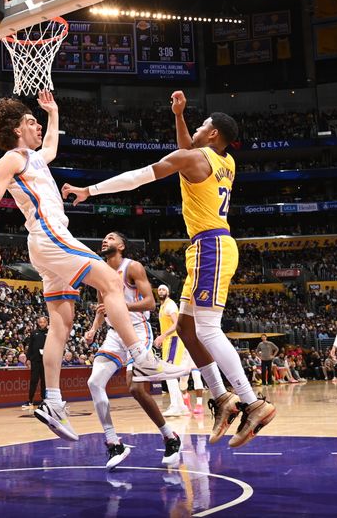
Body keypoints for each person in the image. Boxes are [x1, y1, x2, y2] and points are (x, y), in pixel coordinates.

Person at [61, 90, 275, 448]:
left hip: (211, 246)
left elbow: (138, 178)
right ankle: (223, 399)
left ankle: (252, 402)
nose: (196, 128)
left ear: (211, 134)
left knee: (206, 329)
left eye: (201, 125)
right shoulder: (224, 161)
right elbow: (189, 151)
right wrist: (179, 117)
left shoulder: (193, 158)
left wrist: (90, 190)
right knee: (188, 329)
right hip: (210, 246)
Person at [0, 91, 187, 442]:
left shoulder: (34, 159)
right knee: (110, 281)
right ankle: (141, 355)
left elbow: (51, 148)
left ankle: (53, 401)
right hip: (49, 236)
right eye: (32, 122)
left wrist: (54, 111)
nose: (38, 126)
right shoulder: (12, 159)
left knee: (61, 322)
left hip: (45, 246)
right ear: (18, 129)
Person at [83, 232, 182, 469]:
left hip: (137, 330)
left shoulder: (133, 267)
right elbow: (101, 307)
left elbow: (149, 302)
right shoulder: (100, 271)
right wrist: (93, 329)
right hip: (114, 334)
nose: (105, 240)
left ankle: (170, 436)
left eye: (110, 238)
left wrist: (119, 306)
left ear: (122, 246)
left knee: (136, 388)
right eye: (103, 238)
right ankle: (113, 443)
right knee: (94, 383)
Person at [155, 284, 205, 417]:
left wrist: (163, 335)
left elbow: (177, 324)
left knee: (169, 373)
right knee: (173, 374)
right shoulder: (163, 306)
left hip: (173, 340)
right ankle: (182, 406)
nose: (161, 291)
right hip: (169, 342)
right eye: (159, 289)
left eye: (163, 289)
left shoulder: (170, 305)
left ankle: (176, 406)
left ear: (168, 292)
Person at [24, 316, 48, 408]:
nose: (42, 324)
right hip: (35, 361)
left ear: (46, 323)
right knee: (34, 380)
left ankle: (44, 399)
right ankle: (30, 400)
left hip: (45, 361)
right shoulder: (34, 333)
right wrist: (28, 359)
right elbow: (30, 347)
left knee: (44, 381)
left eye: (44, 322)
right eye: (40, 322)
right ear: (38, 323)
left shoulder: (50, 333)